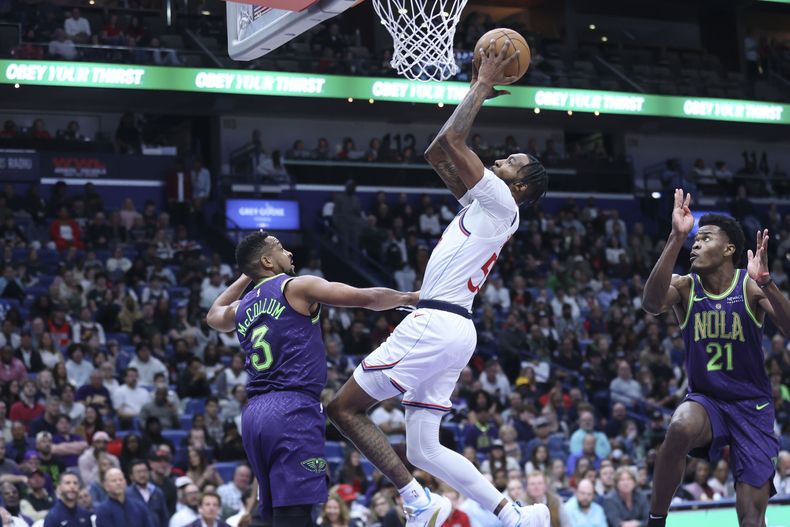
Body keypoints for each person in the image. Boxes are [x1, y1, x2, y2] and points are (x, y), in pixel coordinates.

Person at [326, 40, 549, 527]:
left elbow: (454, 144)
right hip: (451, 326)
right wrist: (475, 89)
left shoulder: (502, 204)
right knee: (424, 448)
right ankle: (513, 516)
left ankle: (418, 500)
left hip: (438, 322)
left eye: (509, 161)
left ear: (521, 186)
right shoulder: (483, 205)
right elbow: (437, 151)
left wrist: (484, 83)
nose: (499, 162)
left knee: (343, 409)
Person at [205, 231, 418, 527]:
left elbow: (213, 315)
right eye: (280, 248)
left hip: (254, 415)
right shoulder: (296, 286)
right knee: (296, 515)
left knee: (270, 515)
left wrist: (246, 276)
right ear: (267, 260)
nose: (289, 253)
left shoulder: (242, 307)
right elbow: (366, 298)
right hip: (292, 409)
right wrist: (410, 298)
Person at [642, 189, 790, 527]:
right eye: (694, 239)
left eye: (704, 238)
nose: (696, 243)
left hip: (751, 407)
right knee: (679, 425)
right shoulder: (685, 286)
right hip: (707, 401)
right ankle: (656, 520)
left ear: (729, 250)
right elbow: (650, 304)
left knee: (751, 518)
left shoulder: (749, 285)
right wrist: (675, 236)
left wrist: (768, 284)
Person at [126, 458, 169, 527]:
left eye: (144, 471)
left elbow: (164, 517)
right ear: (131, 476)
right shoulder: (127, 494)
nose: (142, 475)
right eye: (138, 472)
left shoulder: (157, 492)